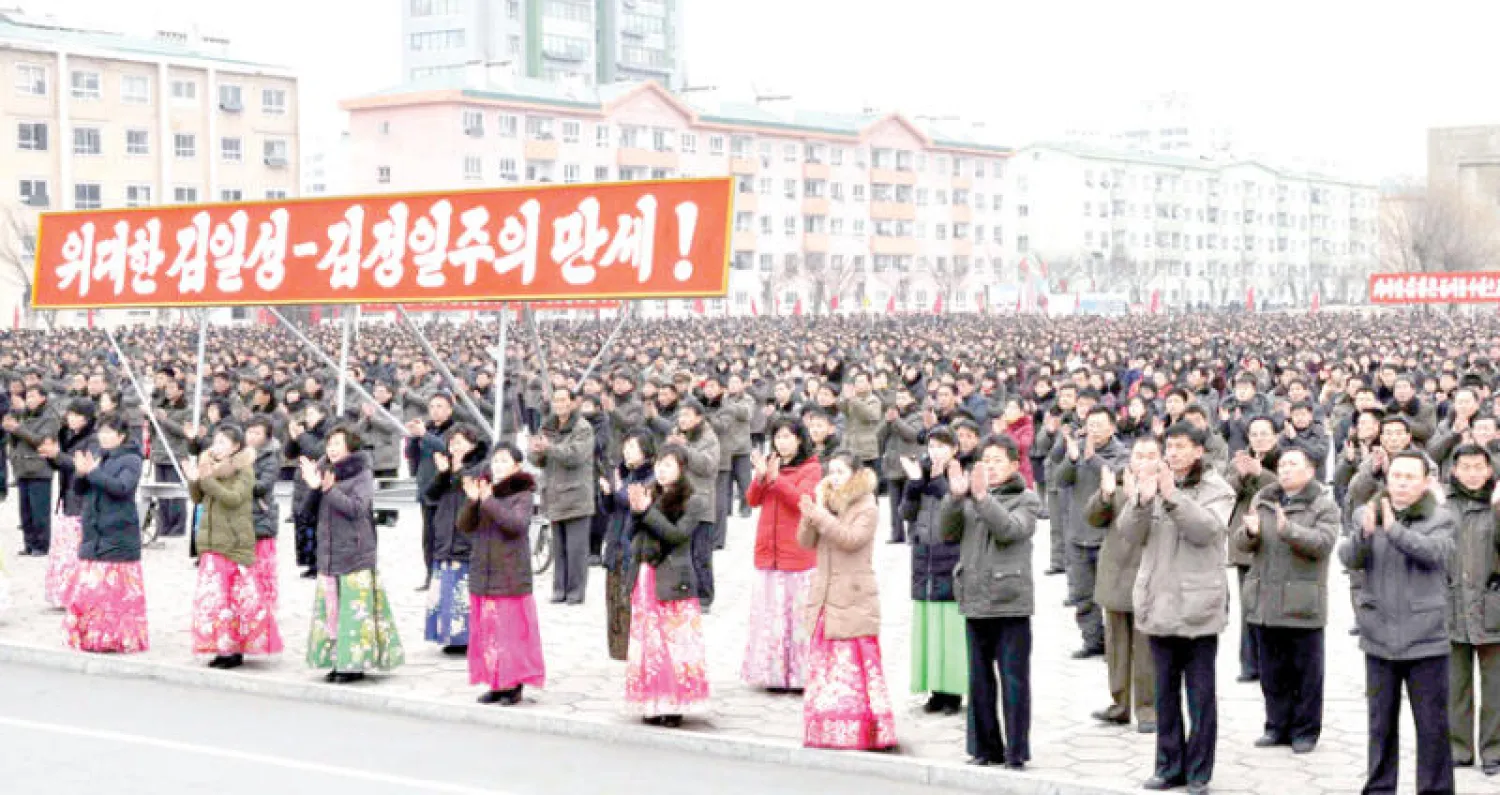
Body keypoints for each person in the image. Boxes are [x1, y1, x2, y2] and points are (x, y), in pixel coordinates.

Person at [1120, 423, 1233, 794]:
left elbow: (1207, 531)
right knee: (1164, 692)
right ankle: (1168, 767)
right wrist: (1139, 500)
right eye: (1169, 446)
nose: (1173, 453)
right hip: (1159, 601)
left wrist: (1171, 497)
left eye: (1182, 447)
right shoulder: (1149, 483)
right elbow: (1129, 534)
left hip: (1198, 605)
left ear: (1199, 450)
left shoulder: (1217, 488)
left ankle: (1199, 772)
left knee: (1200, 695)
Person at [1340, 451, 1455, 795]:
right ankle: (1379, 787)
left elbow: (1434, 552)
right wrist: (1364, 533)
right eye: (1396, 476)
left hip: (1426, 637)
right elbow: (1348, 558)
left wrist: (1393, 530)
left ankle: (1435, 790)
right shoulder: (1367, 512)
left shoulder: (1441, 517)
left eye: (1410, 477)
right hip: (1379, 634)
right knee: (1380, 724)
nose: (1402, 483)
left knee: (1432, 727)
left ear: (1425, 482)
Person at [938, 435, 1038, 769]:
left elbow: (1010, 530)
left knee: (1014, 680)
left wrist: (981, 498)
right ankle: (985, 747)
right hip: (976, 596)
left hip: (1010, 601)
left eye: (997, 460)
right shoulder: (969, 498)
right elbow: (946, 532)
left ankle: (1016, 751)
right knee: (979, 679)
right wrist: (954, 498)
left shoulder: (1026, 499)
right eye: (986, 459)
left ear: (1013, 464)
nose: (991, 466)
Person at [1231, 446, 1338, 754]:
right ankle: (1276, 725)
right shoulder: (1264, 498)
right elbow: (1241, 543)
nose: (1286, 469)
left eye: (1294, 464)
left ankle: (1305, 731)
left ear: (1310, 470)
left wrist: (1288, 530)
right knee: (1272, 671)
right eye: (1283, 464)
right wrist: (1249, 533)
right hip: (1265, 599)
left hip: (1302, 602)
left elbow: (1323, 543)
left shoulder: (1322, 504)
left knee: (1306, 674)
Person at [794, 452, 896, 750]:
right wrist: (812, 513)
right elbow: (805, 542)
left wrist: (821, 515)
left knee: (854, 665)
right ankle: (825, 729)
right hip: (825, 592)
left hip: (853, 594)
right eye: (832, 472)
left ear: (855, 474)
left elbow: (850, 539)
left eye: (840, 472)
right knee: (826, 666)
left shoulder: (867, 505)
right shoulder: (827, 503)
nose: (834, 477)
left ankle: (862, 730)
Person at [301, 425, 405, 683]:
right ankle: (338, 661)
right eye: (330, 444)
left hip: (356, 552)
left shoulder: (362, 474)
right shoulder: (323, 471)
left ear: (350, 446)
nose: (332, 448)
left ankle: (355, 664)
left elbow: (357, 509)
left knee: (354, 612)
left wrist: (328, 490)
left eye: (338, 443)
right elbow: (305, 514)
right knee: (333, 610)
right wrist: (315, 488)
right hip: (329, 552)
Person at [623, 445, 711, 727]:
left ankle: (674, 704)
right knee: (650, 642)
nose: (661, 470)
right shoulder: (648, 493)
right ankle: (652, 702)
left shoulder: (693, 500)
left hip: (674, 579)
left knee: (674, 644)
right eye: (659, 464)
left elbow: (677, 535)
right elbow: (631, 534)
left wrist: (647, 511)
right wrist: (637, 512)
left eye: (669, 465)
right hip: (645, 574)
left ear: (682, 469)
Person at [456, 441, 546, 706]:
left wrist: (488, 501)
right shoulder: (487, 491)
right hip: (483, 571)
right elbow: (464, 525)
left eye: (505, 461)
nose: (498, 466)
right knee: (488, 631)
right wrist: (474, 502)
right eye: (495, 461)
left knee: (510, 633)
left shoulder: (523, 493)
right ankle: (495, 684)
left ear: (517, 466)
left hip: (509, 574)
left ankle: (513, 686)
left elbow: (516, 525)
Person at [1085, 436, 1159, 734]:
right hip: (1115, 573)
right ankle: (1119, 704)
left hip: (1149, 577)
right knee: (1116, 647)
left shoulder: (1167, 489)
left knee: (1146, 650)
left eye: (1151, 454)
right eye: (1138, 455)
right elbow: (1092, 518)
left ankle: (1147, 708)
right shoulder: (1115, 485)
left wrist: (1137, 500)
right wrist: (1104, 496)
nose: (1143, 460)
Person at [741, 418, 821, 692]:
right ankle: (773, 674)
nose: (782, 442)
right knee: (772, 618)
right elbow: (752, 500)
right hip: (768, 552)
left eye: (788, 436)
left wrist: (776, 479)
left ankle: (799, 676)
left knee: (796, 618)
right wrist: (762, 476)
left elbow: (803, 501)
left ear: (799, 439)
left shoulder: (811, 468)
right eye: (777, 436)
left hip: (796, 554)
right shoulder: (771, 464)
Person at [186, 423, 273, 669]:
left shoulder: (244, 469)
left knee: (234, 599)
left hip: (233, 542)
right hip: (212, 540)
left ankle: (234, 650)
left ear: (236, 447)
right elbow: (198, 498)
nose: (217, 446)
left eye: (224, 442)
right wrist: (195, 481)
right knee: (214, 599)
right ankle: (219, 646)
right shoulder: (209, 467)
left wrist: (207, 479)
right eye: (216, 441)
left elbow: (234, 498)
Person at [66, 413, 148, 654]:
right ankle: (91, 635)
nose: (103, 436)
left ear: (121, 436)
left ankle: (115, 638)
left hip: (118, 531)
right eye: (101, 432)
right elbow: (81, 490)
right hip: (94, 530)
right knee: (90, 591)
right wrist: (81, 474)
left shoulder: (131, 460)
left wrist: (92, 472)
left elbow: (121, 488)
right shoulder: (100, 457)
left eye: (109, 432)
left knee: (114, 594)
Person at [900, 426, 967, 715]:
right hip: (923, 558)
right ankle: (934, 690)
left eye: (943, 446)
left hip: (950, 557)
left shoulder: (959, 475)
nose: (935, 451)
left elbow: (959, 510)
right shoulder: (921, 473)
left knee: (950, 629)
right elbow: (905, 513)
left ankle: (952, 692)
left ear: (954, 449)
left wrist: (940, 481)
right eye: (932, 445)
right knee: (928, 628)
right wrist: (914, 484)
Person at [1053, 405, 1129, 658]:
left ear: (1112, 427)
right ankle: (1092, 640)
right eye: (1090, 424)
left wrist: (1092, 458)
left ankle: (1115, 646)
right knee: (1082, 594)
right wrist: (1072, 459)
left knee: (1110, 594)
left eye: (1099, 424)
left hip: (1107, 533)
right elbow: (1060, 480)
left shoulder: (1121, 454)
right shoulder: (1078, 450)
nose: (1093, 430)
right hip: (1077, 531)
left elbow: (1117, 476)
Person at [1444, 443, 1500, 776]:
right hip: (1450, 605)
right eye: (1465, 466)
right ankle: (1458, 748)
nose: (1472, 473)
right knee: (1455, 685)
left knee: (1495, 687)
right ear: (1454, 471)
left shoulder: (1496, 504)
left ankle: (1494, 749)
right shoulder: (1442, 506)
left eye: (1479, 466)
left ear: (1490, 470)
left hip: (1493, 606)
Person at [1224, 416, 1281, 683]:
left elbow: (1282, 490)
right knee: (1248, 607)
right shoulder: (1239, 462)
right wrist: (1242, 475)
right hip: (1246, 542)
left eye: (1264, 433)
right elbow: (1227, 493)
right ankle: (1249, 663)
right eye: (1254, 433)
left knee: (1273, 605)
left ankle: (1272, 662)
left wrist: (1260, 474)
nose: (1259, 438)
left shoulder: (1287, 459)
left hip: (1276, 542)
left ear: (1275, 436)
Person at [424, 424, 489, 654]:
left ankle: (468, 638)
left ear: (472, 444)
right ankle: (448, 635)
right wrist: (443, 474)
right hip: (445, 532)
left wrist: (456, 469)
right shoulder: (447, 467)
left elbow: (470, 486)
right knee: (445, 588)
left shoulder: (481, 466)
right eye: (452, 443)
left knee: (464, 590)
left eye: (460, 442)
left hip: (468, 535)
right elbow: (429, 495)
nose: (455, 447)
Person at [530, 387, 597, 605]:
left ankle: (575, 592)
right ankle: (559, 589)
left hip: (577, 494)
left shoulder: (583, 428)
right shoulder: (547, 426)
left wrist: (549, 448)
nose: (558, 404)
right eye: (555, 400)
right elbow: (536, 460)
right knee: (558, 547)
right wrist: (537, 450)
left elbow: (575, 456)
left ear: (573, 403)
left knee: (576, 549)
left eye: (563, 400)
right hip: (554, 494)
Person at [39, 398, 97, 608]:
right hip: (67, 495)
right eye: (69, 414)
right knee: (65, 549)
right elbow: (63, 464)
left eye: (75, 415)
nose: (70, 418)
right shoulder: (69, 435)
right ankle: (62, 594)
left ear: (87, 418)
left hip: (83, 499)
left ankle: (75, 594)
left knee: (75, 550)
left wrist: (59, 456)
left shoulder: (93, 439)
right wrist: (52, 456)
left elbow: (81, 465)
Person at [603, 429, 656, 661]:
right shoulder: (625, 475)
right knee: (614, 599)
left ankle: (635, 648)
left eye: (632, 447)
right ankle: (618, 649)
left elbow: (634, 501)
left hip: (634, 546)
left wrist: (616, 491)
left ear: (645, 451)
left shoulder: (651, 476)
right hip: (615, 542)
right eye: (625, 447)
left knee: (630, 600)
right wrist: (607, 494)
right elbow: (611, 508)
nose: (627, 452)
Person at [669, 397, 720, 610]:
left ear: (699, 417)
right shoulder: (676, 434)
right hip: (678, 500)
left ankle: (704, 596)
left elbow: (707, 466)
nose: (683, 419)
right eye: (681, 415)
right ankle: (684, 593)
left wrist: (685, 448)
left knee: (700, 554)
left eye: (688, 415)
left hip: (700, 503)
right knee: (681, 552)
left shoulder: (709, 438)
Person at [405, 392, 457, 590]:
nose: (435, 410)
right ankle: (430, 575)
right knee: (428, 537)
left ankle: (445, 575)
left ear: (450, 409)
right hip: (426, 489)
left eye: (440, 406)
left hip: (445, 490)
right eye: (433, 406)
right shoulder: (426, 430)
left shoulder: (454, 430)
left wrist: (424, 435)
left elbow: (447, 448)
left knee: (445, 536)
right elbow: (411, 455)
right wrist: (413, 437)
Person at [244, 416, 285, 657]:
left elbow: (262, 485)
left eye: (257, 433)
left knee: (261, 571)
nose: (252, 437)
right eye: (249, 432)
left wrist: (241, 472)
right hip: (240, 519)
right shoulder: (240, 453)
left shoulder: (270, 457)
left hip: (261, 517)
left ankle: (264, 614)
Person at [5, 385, 59, 555]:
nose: (29, 400)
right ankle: (29, 544)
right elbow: (16, 441)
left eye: (33, 396)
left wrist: (18, 429)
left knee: (39, 512)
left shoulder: (50, 418)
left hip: (39, 469)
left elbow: (41, 440)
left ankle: (41, 546)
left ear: (43, 398)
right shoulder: (23, 416)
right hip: (22, 468)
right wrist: (11, 430)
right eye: (27, 397)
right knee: (25, 512)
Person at [284, 401, 329, 578]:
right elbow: (289, 453)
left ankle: (319, 563)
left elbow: (316, 451)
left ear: (322, 414)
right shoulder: (307, 433)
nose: (308, 417)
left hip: (317, 480)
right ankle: (309, 562)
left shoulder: (327, 430)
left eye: (311, 414)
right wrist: (293, 438)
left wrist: (301, 436)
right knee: (303, 523)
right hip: (302, 480)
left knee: (316, 524)